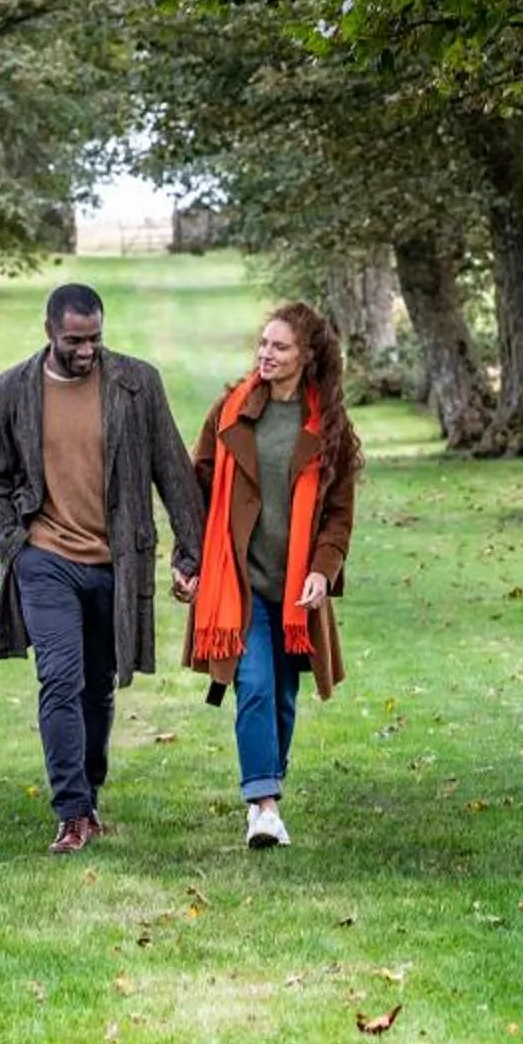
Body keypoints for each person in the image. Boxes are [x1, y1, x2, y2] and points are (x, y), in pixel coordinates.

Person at [0, 282, 207, 854]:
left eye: (94, 339)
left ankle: (90, 793)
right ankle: (72, 812)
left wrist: (191, 553)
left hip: (116, 563)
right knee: (60, 678)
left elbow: (173, 471)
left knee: (99, 685)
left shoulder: (136, 384)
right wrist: (14, 545)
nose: (86, 350)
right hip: (45, 559)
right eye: (74, 340)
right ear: (49, 332)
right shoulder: (10, 391)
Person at [185, 298, 363, 849]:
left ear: (307, 356)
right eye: (263, 343)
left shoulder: (328, 426)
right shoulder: (230, 411)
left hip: (295, 591)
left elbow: (339, 513)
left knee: (283, 697)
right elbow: (197, 488)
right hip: (239, 582)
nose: (266, 354)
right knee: (256, 686)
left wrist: (323, 571)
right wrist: (189, 561)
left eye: (280, 347)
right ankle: (263, 806)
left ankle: (267, 787)